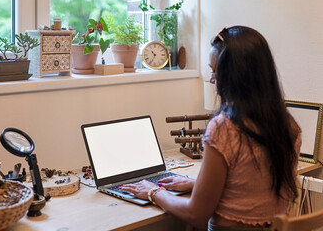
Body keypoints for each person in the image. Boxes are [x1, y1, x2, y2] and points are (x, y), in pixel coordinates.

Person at [120, 26, 301, 230]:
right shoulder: (288, 126)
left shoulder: (225, 129)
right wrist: (198, 185)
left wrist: (154, 192)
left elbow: (195, 214)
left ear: (236, 76)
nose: (212, 79)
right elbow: (253, 187)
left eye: (215, 71)